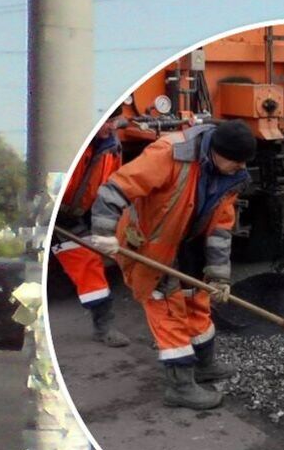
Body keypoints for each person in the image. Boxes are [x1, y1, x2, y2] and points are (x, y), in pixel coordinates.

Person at [87, 120, 256, 410]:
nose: (240, 168)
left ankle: (204, 364)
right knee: (167, 309)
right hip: (149, 246)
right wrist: (103, 234)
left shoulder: (230, 177)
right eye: (235, 161)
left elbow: (220, 230)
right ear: (216, 152)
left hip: (188, 244)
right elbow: (114, 190)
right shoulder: (169, 154)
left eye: (244, 162)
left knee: (197, 300)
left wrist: (219, 276)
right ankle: (180, 387)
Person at [50, 128, 130, 348]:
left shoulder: (112, 149)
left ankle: (104, 327)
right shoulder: (69, 141)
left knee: (88, 264)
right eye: (107, 120)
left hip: (70, 217)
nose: (110, 127)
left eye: (114, 121)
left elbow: (108, 191)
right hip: (49, 214)